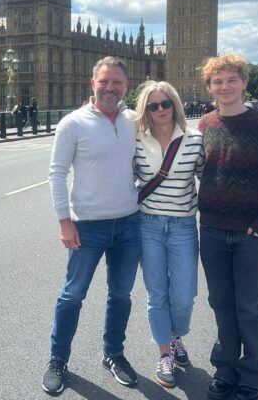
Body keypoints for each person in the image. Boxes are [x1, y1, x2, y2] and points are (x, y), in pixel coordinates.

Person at [42, 56, 140, 395]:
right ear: (92, 84)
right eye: (104, 81)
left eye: (117, 82)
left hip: (129, 223)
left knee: (121, 295)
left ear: (126, 86)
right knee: (72, 296)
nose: (110, 87)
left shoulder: (133, 121)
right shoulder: (72, 123)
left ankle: (113, 354)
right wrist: (64, 221)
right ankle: (58, 359)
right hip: (87, 226)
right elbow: (56, 173)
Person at [198, 54, 258, 400]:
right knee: (221, 303)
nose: (225, 87)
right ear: (210, 87)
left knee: (249, 307)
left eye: (231, 80)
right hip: (211, 231)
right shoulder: (205, 125)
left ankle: (253, 373)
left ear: (244, 83)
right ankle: (225, 368)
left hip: (251, 234)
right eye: (218, 81)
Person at [134, 81, 204, 389]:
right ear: (145, 110)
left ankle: (176, 335)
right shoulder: (136, 140)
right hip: (147, 224)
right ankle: (165, 350)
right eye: (153, 105)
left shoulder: (195, 140)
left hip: (183, 226)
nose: (160, 109)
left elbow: (213, 179)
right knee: (157, 293)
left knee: (184, 294)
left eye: (166, 104)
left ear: (175, 105)